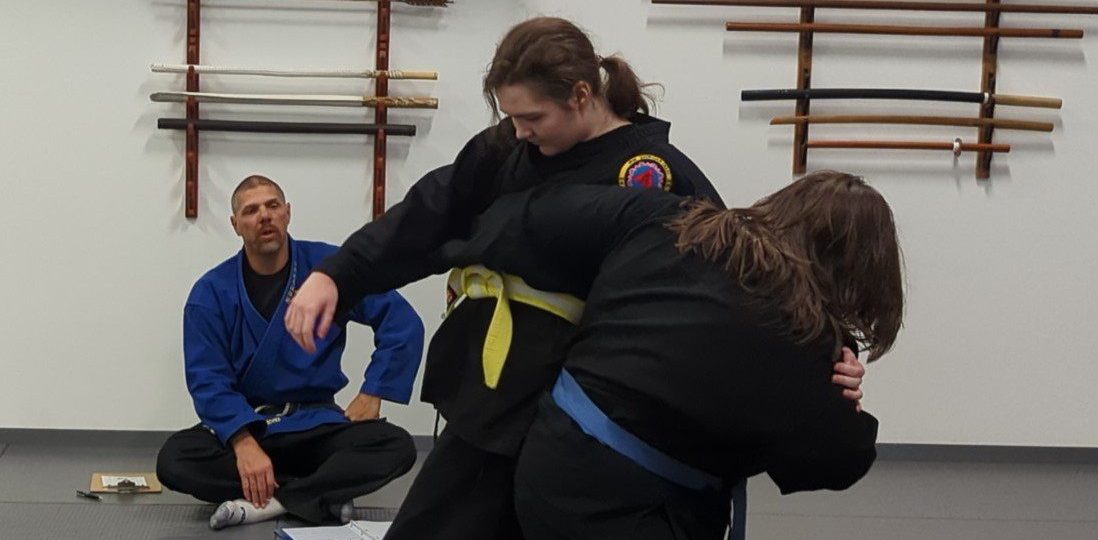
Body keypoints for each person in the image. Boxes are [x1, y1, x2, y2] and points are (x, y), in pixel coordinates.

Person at [285, 17, 862, 539]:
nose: (520, 132)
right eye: (511, 117)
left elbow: (741, 288)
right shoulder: (505, 152)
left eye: (533, 117)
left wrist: (830, 360)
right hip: (492, 398)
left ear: (582, 95)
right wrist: (339, 275)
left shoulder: (653, 177)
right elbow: (429, 215)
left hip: (583, 409)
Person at [435, 170, 903, 539]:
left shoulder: (670, 224)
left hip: (549, 456)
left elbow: (541, 219)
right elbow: (839, 459)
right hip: (633, 507)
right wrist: (849, 400)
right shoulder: (801, 338)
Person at [155, 175, 424, 530]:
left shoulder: (329, 269)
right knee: (175, 460)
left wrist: (374, 390)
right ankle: (316, 492)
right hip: (253, 427)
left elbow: (401, 320)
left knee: (397, 446)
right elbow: (208, 381)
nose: (264, 216)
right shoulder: (210, 292)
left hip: (317, 425)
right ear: (236, 226)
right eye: (251, 211)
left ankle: (267, 502)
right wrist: (242, 442)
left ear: (288, 214)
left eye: (273, 205)